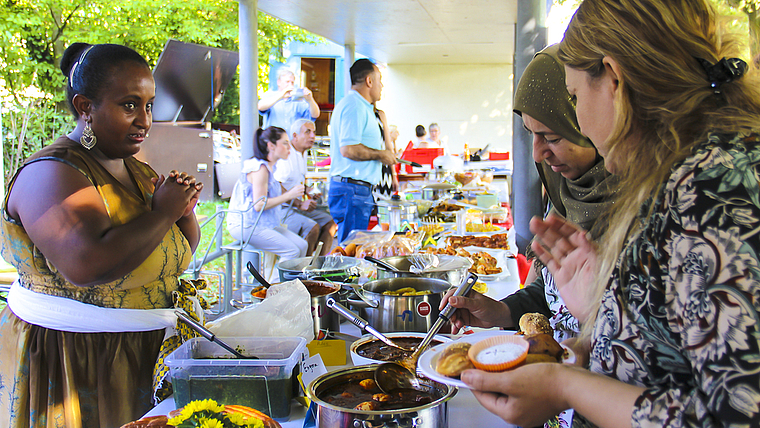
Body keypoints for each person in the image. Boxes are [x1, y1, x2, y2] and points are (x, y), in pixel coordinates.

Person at [459, 1, 760, 427]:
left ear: (614, 80)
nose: (578, 115)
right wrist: (601, 317)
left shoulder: (711, 187)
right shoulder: (679, 175)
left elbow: (736, 413)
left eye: (576, 95)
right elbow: (672, 357)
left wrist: (565, 386)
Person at [0, 42, 203, 427]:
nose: (144, 119)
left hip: (138, 354)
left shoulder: (135, 169)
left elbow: (172, 257)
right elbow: (87, 264)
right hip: (77, 361)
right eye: (129, 105)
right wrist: (163, 212)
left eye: (148, 105)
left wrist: (183, 215)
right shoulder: (52, 173)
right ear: (84, 107)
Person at [443, 44, 617, 427]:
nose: (538, 154)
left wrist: (564, 385)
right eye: (531, 135)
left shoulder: (648, 206)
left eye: (552, 136)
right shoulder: (566, 192)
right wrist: (501, 311)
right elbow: (555, 296)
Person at [328, 59, 397, 242]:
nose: (381, 86)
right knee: (349, 250)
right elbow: (348, 149)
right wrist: (381, 155)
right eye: (379, 80)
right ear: (369, 81)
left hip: (356, 189)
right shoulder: (354, 105)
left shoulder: (359, 106)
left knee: (352, 247)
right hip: (352, 189)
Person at [227, 126, 309, 265]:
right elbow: (259, 205)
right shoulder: (260, 169)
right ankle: (275, 286)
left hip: (262, 223)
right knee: (291, 251)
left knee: (302, 245)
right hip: (247, 225)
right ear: (271, 145)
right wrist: (290, 195)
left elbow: (272, 191)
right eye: (285, 143)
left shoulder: (269, 167)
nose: (289, 147)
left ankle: (291, 282)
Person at [274, 119, 337, 255]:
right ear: (295, 136)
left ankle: (319, 265)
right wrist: (299, 203)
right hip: (282, 210)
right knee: (312, 228)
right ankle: (303, 270)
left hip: (295, 208)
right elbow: (276, 185)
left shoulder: (302, 153)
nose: (313, 136)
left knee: (330, 223)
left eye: (314, 132)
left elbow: (294, 181)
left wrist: (308, 190)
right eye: (307, 132)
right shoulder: (287, 155)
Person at [373, 105, 399, 199]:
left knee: (384, 203)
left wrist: (394, 174)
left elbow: (388, 146)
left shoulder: (380, 114)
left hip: (384, 168)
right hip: (370, 167)